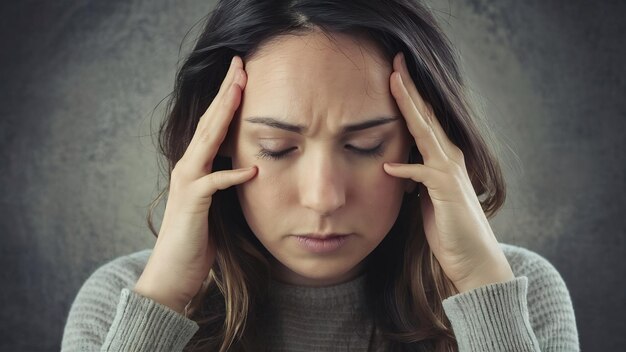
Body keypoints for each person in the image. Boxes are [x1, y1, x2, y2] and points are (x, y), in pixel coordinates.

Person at [61, 0, 580, 351]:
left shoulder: (518, 293)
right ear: (215, 150)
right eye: (277, 148)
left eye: (364, 145)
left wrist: (479, 285)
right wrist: (164, 300)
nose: (324, 198)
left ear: (428, 146)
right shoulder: (123, 302)